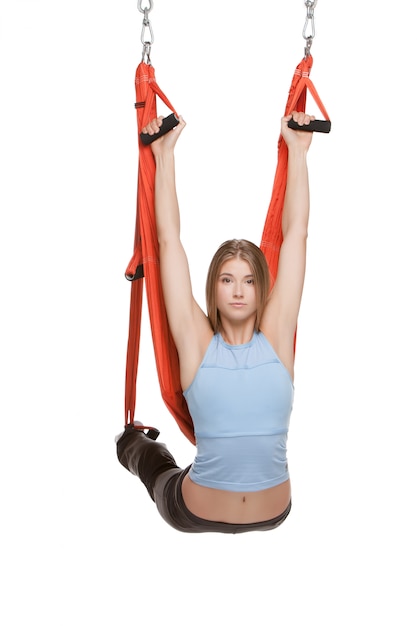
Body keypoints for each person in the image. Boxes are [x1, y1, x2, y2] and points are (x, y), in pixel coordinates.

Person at [116, 111, 315, 533]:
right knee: (152, 461)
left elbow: (295, 232)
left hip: (273, 512)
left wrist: (297, 152)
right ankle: (129, 442)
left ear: (263, 288)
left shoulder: (277, 337)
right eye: (227, 279)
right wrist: (163, 157)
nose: (239, 290)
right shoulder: (196, 342)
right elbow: (168, 241)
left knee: (162, 462)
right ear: (214, 288)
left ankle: (130, 442)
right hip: (191, 509)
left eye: (247, 280)